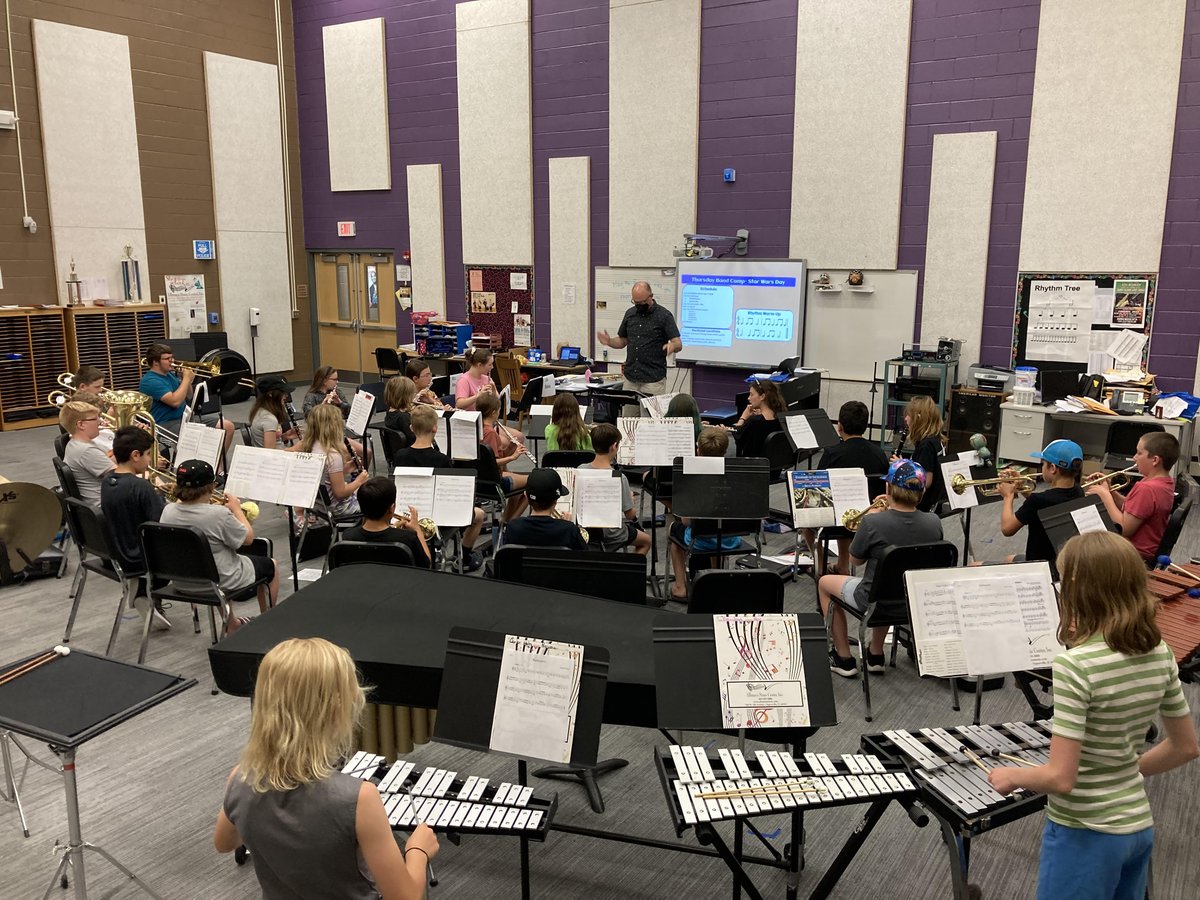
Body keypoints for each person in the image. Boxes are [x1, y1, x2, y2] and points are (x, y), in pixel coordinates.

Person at [986, 531, 1198, 900]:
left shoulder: (1075, 666)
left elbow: (1060, 778)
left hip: (1085, 833)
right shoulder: (1159, 651)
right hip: (1137, 828)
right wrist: (1126, 771)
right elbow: (1186, 747)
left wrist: (1013, 776)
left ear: (1075, 590)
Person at [214, 637, 439, 899]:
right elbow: (405, 897)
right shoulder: (359, 799)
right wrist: (418, 851)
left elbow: (224, 843)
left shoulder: (240, 777)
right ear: (336, 711)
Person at [817, 460, 942, 677]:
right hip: (913, 601)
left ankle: (843, 658)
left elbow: (855, 561)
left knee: (824, 582)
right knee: (890, 582)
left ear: (888, 488)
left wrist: (871, 518)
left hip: (873, 601)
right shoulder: (934, 521)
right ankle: (875, 654)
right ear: (921, 493)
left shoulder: (873, 522)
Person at [160, 459, 278, 630]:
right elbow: (248, 539)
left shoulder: (167, 510)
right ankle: (268, 624)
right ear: (211, 486)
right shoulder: (218, 514)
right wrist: (237, 510)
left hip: (182, 580)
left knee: (216, 561)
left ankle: (232, 625)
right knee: (271, 565)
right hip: (217, 581)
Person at [393, 406, 486, 571]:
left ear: (411, 428)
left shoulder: (400, 455)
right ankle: (464, 557)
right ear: (435, 428)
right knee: (479, 514)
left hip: (407, 514)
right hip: (436, 518)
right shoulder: (441, 459)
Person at [805, 400, 891, 575]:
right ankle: (843, 565)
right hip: (868, 517)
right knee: (847, 516)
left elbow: (817, 487)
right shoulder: (880, 454)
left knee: (806, 522)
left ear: (840, 427)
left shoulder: (832, 453)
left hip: (836, 519)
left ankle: (821, 564)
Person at [668, 427, 740, 601]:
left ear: (698, 450)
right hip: (731, 539)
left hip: (699, 541)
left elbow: (686, 522)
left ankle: (680, 587)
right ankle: (716, 579)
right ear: (725, 451)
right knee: (716, 527)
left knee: (674, 530)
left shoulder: (691, 478)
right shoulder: (739, 474)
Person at [1087, 432, 1179, 562]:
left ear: (1155, 460)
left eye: (1139, 453)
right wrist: (1111, 492)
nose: (1134, 457)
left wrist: (1105, 496)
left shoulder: (1147, 489)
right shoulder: (1164, 482)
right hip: (1143, 549)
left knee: (1083, 547)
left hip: (1134, 554)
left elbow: (1123, 529)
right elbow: (1133, 509)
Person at [139, 343, 236, 455]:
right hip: (165, 424)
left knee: (228, 426)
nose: (172, 361)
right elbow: (174, 402)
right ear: (155, 362)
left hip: (185, 419)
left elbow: (189, 395)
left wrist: (187, 380)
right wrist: (186, 379)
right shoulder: (150, 381)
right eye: (167, 359)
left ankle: (219, 467)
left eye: (172, 357)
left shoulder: (169, 374)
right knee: (198, 439)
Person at [997, 439, 1084, 563]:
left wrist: (1008, 496)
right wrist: (1022, 488)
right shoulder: (1078, 491)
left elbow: (1007, 529)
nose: (1041, 467)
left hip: (1038, 565)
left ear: (1053, 468)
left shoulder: (1037, 501)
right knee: (1009, 559)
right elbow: (1043, 505)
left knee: (975, 565)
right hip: (1061, 560)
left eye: (1043, 464)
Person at [595, 281, 681, 403]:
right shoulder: (630, 314)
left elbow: (678, 343)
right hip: (630, 378)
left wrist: (672, 345)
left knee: (649, 420)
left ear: (651, 296)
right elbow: (622, 340)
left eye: (642, 302)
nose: (639, 305)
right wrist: (609, 341)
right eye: (635, 302)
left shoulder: (664, 316)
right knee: (628, 419)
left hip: (653, 379)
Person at [100, 426, 165, 571]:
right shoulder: (141, 486)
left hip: (120, 554)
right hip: (143, 559)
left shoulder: (107, 480)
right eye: (148, 454)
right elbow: (162, 522)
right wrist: (165, 497)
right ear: (135, 455)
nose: (149, 459)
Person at [580, 424, 650, 555]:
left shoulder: (580, 469)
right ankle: (626, 573)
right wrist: (630, 499)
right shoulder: (619, 477)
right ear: (614, 447)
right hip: (611, 533)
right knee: (646, 541)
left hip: (585, 531)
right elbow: (630, 514)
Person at [297, 404, 370, 519]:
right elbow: (340, 493)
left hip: (318, 504)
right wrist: (359, 480)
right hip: (338, 508)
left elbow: (325, 478)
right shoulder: (332, 456)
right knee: (379, 499)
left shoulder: (309, 446)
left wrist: (344, 469)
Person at [341, 476, 431, 568]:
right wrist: (417, 529)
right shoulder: (408, 538)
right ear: (391, 509)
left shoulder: (348, 536)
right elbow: (427, 565)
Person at [499, 468, 588, 551]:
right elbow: (584, 558)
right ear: (556, 500)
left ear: (526, 496)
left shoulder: (513, 527)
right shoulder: (569, 530)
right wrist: (566, 525)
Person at [476, 392, 528, 522]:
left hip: (480, 481)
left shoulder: (476, 428)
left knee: (518, 491)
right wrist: (513, 456)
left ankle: (505, 520)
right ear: (494, 412)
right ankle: (510, 523)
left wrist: (507, 449)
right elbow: (493, 462)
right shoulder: (491, 433)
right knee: (534, 482)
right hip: (495, 482)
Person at [59, 400, 113, 508]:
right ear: (81, 424)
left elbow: (110, 462)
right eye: (95, 418)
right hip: (107, 507)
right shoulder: (86, 451)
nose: (100, 422)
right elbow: (123, 477)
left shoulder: (75, 444)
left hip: (104, 499)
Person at [897, 395, 946, 512]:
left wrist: (901, 466)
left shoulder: (926, 446)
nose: (906, 419)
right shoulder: (935, 440)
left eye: (908, 415)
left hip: (923, 507)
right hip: (933, 502)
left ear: (918, 418)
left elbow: (925, 481)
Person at [734, 381, 785, 459]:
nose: (748, 398)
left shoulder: (754, 422)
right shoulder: (781, 418)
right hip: (775, 467)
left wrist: (743, 418)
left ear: (762, 397)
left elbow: (739, 440)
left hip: (754, 467)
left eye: (751, 394)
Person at [249, 375, 299, 449]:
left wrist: (284, 437)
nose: (286, 396)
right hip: (275, 458)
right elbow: (270, 453)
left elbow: (266, 441)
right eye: (283, 392)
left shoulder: (260, 410)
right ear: (270, 394)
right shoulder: (269, 419)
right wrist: (297, 448)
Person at [383, 375, 418, 448]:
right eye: (412, 394)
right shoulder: (404, 417)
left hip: (399, 453)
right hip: (411, 453)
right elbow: (414, 439)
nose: (414, 396)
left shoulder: (389, 411)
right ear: (405, 396)